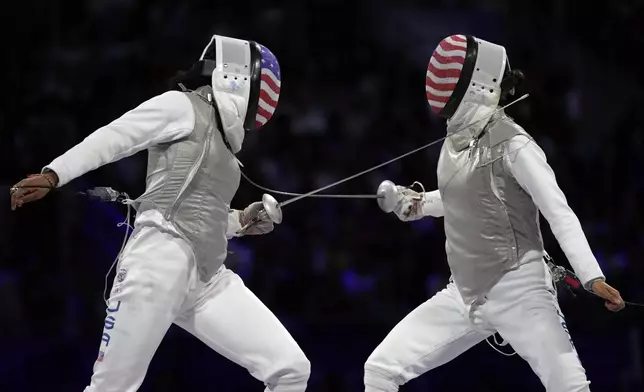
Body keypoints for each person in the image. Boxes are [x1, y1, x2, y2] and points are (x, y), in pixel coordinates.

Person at [10, 34, 310, 392]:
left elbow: (204, 212)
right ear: (240, 78)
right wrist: (55, 172)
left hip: (207, 278)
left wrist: (241, 220)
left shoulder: (226, 147)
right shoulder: (181, 106)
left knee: (290, 369)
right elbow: (116, 137)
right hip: (159, 259)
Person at [364, 34, 625, 392]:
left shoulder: (514, 143)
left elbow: (558, 211)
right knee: (380, 370)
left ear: (476, 83)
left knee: (572, 388)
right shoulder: (454, 142)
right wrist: (420, 204)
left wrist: (592, 277)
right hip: (465, 294)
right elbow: (466, 196)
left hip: (520, 289)